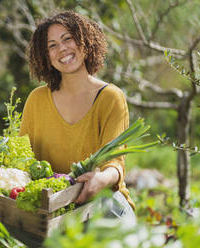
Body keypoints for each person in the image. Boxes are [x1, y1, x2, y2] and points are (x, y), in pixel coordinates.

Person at [19, 10, 135, 219]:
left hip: (102, 206)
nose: (62, 49)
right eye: (52, 45)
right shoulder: (37, 100)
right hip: (53, 209)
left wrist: (102, 179)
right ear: (45, 56)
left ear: (85, 41)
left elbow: (115, 163)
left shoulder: (111, 98)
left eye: (68, 39)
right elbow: (22, 158)